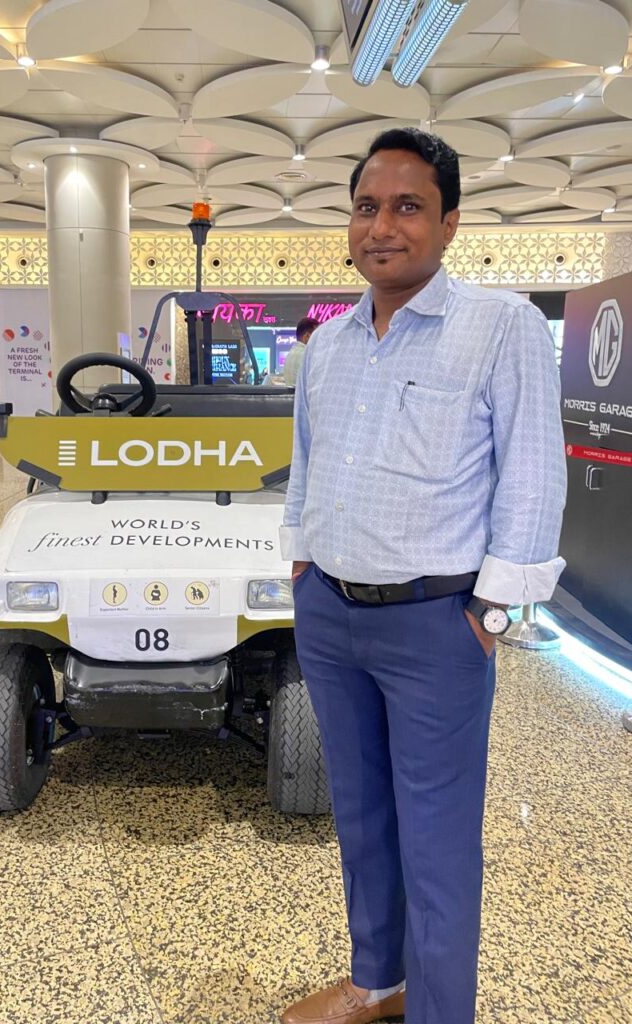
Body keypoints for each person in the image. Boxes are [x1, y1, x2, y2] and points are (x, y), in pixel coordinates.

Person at [280, 127, 567, 1024]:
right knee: (362, 822)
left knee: (437, 844)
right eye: (368, 207)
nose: (383, 226)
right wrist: (300, 568)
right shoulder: (326, 348)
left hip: (436, 628)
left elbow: (531, 473)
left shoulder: (500, 327)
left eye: (409, 206)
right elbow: (305, 465)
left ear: (448, 224)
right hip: (330, 617)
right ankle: (379, 983)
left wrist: (494, 611)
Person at [282, 316, 320, 386]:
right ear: (306, 336)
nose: (319, 340)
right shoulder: (308, 356)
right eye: (317, 335)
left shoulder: (291, 354)